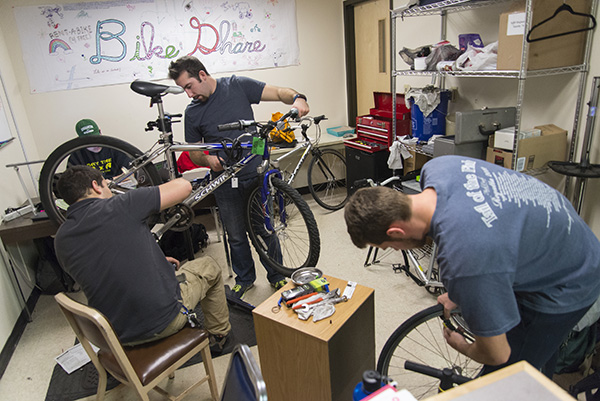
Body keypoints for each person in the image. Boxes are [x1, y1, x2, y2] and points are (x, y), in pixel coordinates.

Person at [344, 155, 600, 377]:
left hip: (570, 279)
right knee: (538, 353)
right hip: (560, 232)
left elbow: (497, 353)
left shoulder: (463, 257)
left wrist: (463, 346)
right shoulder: (439, 168)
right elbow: (485, 233)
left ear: (396, 232)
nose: (396, 250)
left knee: (505, 376)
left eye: (389, 247)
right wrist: (463, 292)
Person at [168, 55, 310, 299]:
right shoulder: (192, 112)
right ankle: (245, 279)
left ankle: (277, 276)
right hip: (224, 181)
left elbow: (278, 92)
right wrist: (209, 160)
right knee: (235, 235)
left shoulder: (237, 85)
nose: (189, 94)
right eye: (184, 90)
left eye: (189, 86)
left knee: (265, 230)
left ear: (202, 75)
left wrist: (299, 98)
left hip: (256, 173)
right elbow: (193, 152)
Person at [54, 165, 232, 351]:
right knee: (208, 266)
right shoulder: (122, 205)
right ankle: (219, 335)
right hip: (162, 323)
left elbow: (104, 267)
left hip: (114, 336)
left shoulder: (61, 239)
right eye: (107, 184)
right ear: (96, 186)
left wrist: (157, 262)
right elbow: (184, 187)